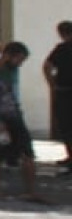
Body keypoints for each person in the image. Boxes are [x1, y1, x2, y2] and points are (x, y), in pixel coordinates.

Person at [0, 40, 45, 203]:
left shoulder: (12, 71)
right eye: (18, 59)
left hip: (14, 116)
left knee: (27, 152)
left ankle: (30, 190)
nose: (20, 64)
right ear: (7, 55)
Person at [43, 20, 72, 170]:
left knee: (67, 126)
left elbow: (47, 66)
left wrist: (52, 84)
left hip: (64, 91)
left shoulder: (61, 49)